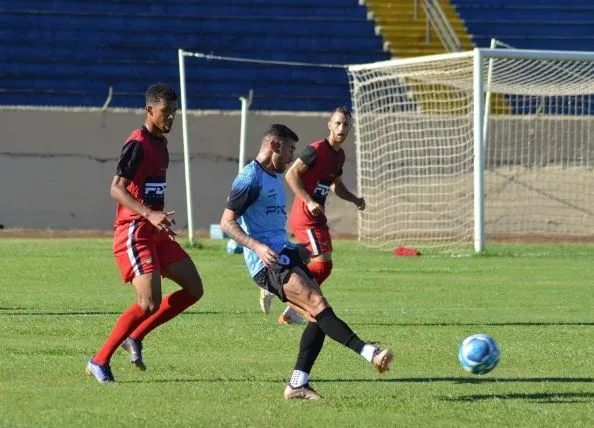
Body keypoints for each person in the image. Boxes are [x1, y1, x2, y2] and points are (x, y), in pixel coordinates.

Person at [220, 124, 392, 400]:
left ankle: (297, 383)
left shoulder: (273, 177)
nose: (290, 157)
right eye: (288, 150)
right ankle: (370, 353)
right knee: (318, 304)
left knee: (317, 317)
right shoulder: (249, 178)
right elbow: (226, 223)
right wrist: (257, 247)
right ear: (274, 145)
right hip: (268, 263)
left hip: (283, 254)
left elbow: (271, 228)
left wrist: (293, 247)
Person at [86, 83, 204, 384]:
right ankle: (99, 360)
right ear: (149, 110)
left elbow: (150, 191)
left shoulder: (161, 143)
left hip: (155, 233)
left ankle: (135, 337)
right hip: (134, 232)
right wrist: (150, 214)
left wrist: (159, 220)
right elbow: (116, 188)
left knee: (193, 288)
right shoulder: (137, 143)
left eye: (174, 112)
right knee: (148, 302)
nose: (171, 118)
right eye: (166, 112)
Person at [262, 107, 364, 325]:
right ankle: (277, 287)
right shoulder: (316, 149)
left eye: (346, 124)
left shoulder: (340, 156)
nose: (341, 128)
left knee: (315, 263)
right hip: (305, 214)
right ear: (329, 124)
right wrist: (308, 200)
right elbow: (291, 174)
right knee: (323, 265)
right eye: (337, 123)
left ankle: (289, 306)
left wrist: (355, 199)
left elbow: (336, 186)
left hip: (317, 216)